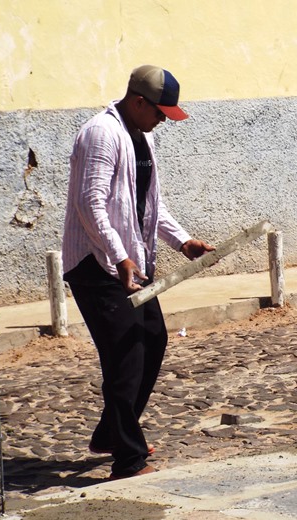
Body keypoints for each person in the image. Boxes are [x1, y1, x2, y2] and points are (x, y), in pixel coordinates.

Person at [62, 65, 214, 480]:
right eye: (159, 111)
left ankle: (111, 433)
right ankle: (127, 460)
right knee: (125, 357)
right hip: (96, 265)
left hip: (132, 264)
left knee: (153, 339)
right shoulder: (102, 134)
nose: (163, 120)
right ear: (138, 101)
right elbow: (89, 204)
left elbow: (149, 205)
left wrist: (182, 242)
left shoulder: (142, 138)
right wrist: (119, 256)